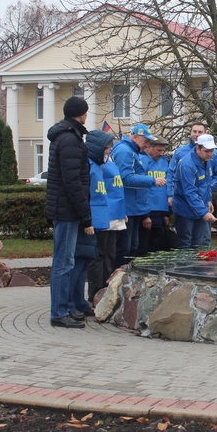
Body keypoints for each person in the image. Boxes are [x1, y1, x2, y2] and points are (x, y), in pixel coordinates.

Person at [46, 96, 94, 328]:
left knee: (65, 260)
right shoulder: (70, 140)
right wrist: (85, 215)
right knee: (64, 262)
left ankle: (65, 308)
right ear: (82, 113)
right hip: (66, 210)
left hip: (64, 208)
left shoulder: (66, 136)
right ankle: (59, 312)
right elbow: (73, 181)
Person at [110, 124, 161, 266]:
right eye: (145, 141)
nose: (147, 145)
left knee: (132, 247)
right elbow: (125, 178)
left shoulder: (132, 152)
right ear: (135, 136)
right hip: (127, 207)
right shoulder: (124, 151)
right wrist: (152, 180)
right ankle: (115, 280)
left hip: (134, 207)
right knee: (124, 249)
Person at [167, 121, 217, 246]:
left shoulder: (207, 159)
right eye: (206, 151)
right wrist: (204, 212)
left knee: (201, 244)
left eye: (211, 151)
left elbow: (206, 183)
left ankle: (199, 265)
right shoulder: (187, 164)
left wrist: (208, 200)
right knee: (186, 244)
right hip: (185, 208)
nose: (210, 154)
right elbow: (190, 192)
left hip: (200, 207)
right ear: (198, 148)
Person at [85, 129, 120, 306]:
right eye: (107, 148)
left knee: (109, 255)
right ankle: (95, 295)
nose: (108, 151)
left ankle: (105, 292)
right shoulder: (90, 166)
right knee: (97, 258)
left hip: (107, 216)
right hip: (96, 221)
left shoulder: (101, 165)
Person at [136, 135, 173, 255]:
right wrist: (145, 215)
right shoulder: (141, 161)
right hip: (148, 208)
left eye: (163, 150)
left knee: (158, 242)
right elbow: (141, 188)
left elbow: (167, 186)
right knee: (145, 243)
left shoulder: (164, 162)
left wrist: (167, 213)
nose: (161, 153)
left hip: (161, 209)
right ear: (149, 147)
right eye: (159, 150)